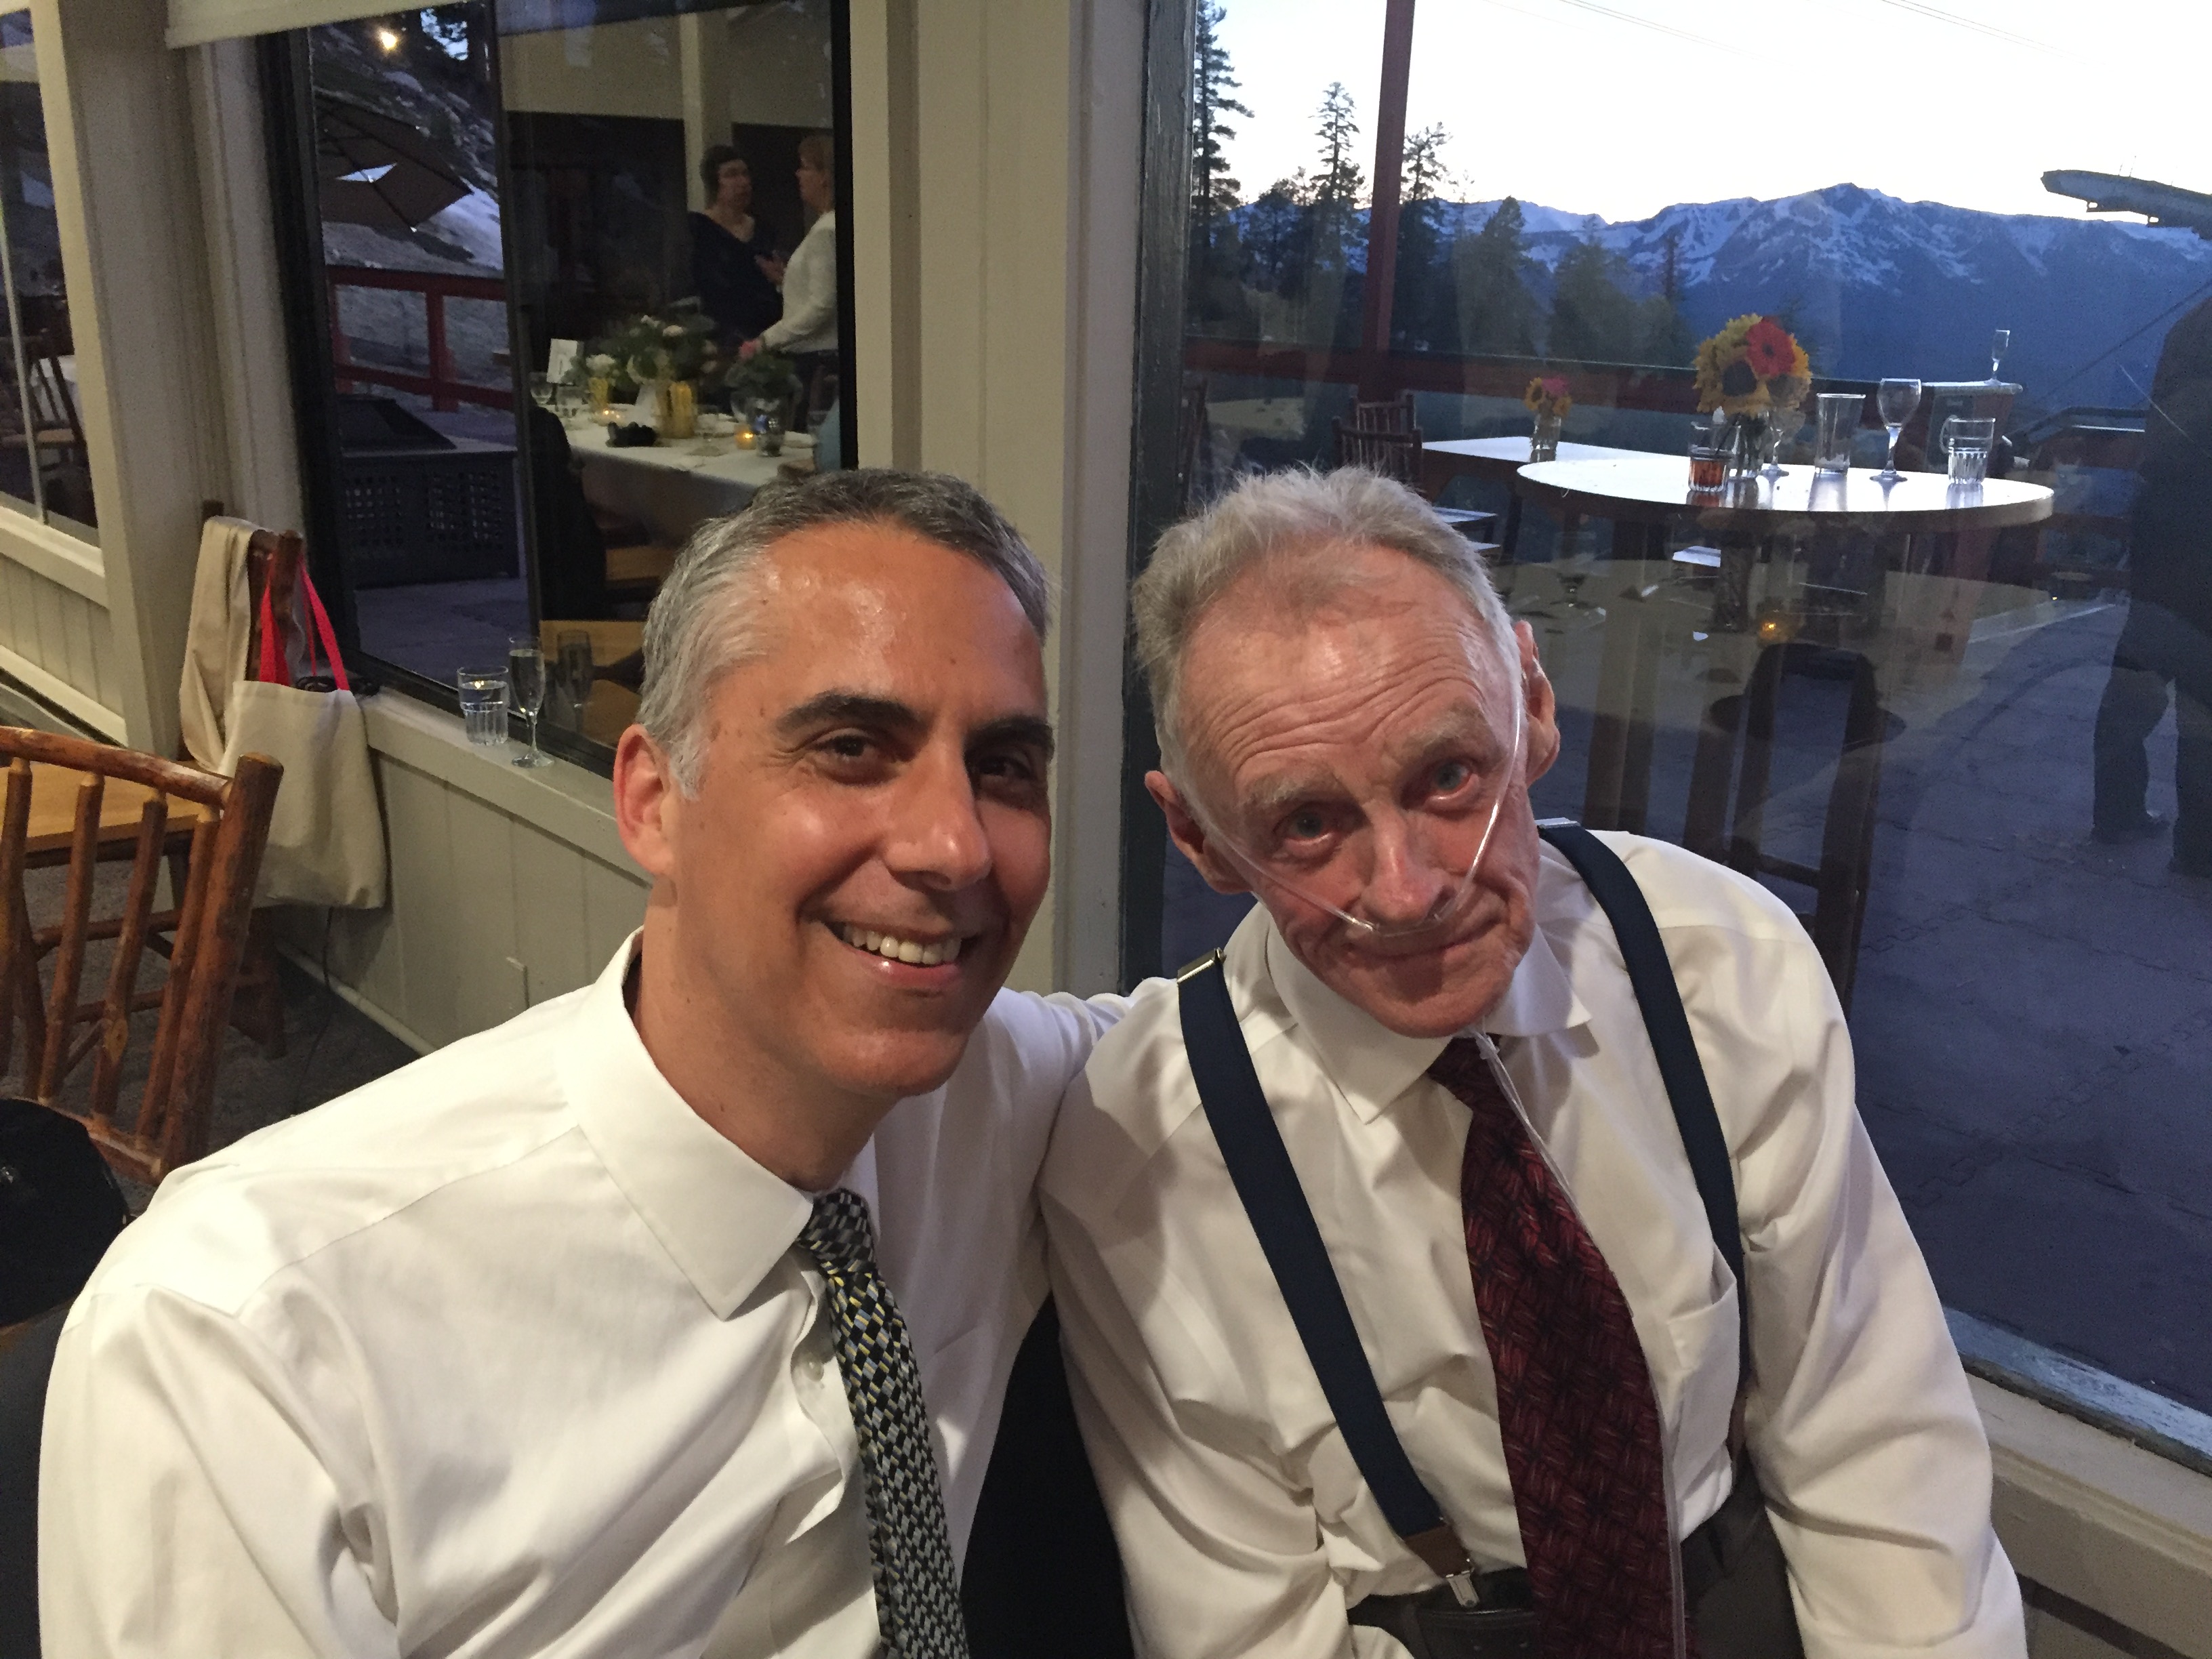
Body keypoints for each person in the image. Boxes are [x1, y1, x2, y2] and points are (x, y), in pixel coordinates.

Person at [40, 470, 1126, 1658]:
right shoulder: (242, 1339)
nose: (955, 845)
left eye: (1003, 766)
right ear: (654, 802)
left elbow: (1232, 1026)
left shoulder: (1006, 1093)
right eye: (852, 747)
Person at [1042, 468, 2026, 1658]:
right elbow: (1245, 1634)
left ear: (1535, 704)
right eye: (1305, 822)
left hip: (1729, 1590)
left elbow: (1870, 1441)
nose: (1408, 891)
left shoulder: (1718, 968)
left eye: (1449, 776)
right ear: (1198, 837)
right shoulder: (1140, 1158)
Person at [2093, 291, 2212, 879]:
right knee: (2203, 704)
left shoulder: (2190, 325)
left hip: (2164, 525)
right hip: (2200, 534)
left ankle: (2117, 812)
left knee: (2137, 683)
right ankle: (2200, 848)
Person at [742, 132, 838, 391]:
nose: (798, 175)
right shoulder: (829, 226)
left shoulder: (825, 231)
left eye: (805, 167)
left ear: (824, 176)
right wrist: (784, 281)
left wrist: (766, 341)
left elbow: (822, 303)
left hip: (816, 361)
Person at [690, 144, 783, 346]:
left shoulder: (764, 229)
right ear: (714, 182)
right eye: (731, 175)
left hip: (766, 336)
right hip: (717, 336)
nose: (743, 182)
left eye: (745, 174)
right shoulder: (698, 229)